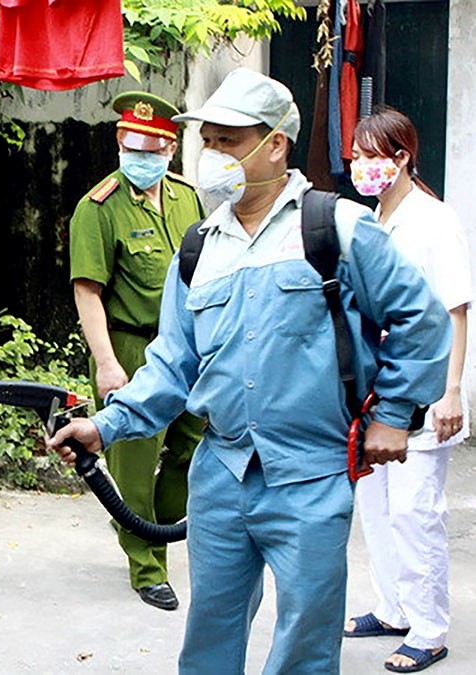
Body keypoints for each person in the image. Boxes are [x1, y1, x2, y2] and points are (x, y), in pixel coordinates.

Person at [48, 68, 452, 674]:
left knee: (306, 637)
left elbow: (422, 319)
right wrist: (105, 426)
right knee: (210, 630)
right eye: (207, 141)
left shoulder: (335, 227)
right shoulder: (199, 248)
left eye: (228, 140)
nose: (212, 155)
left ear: (275, 144)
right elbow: (173, 364)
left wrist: (394, 415)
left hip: (311, 470)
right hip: (221, 470)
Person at [343, 107, 470, 673]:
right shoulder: (372, 219)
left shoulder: (435, 221)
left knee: (415, 512)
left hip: (423, 390)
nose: (362, 167)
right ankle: (393, 608)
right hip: (377, 389)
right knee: (376, 507)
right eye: (356, 156)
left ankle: (429, 628)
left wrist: (451, 391)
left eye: (372, 156)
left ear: (402, 158)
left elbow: (455, 310)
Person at [68, 91, 205, 611]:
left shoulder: (186, 198)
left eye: (150, 150)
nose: (139, 158)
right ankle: (146, 566)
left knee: (191, 449)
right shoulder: (98, 207)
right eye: (130, 147)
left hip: (185, 345)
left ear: (170, 150)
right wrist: (107, 363)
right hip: (130, 346)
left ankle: (154, 531)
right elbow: (87, 291)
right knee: (134, 464)